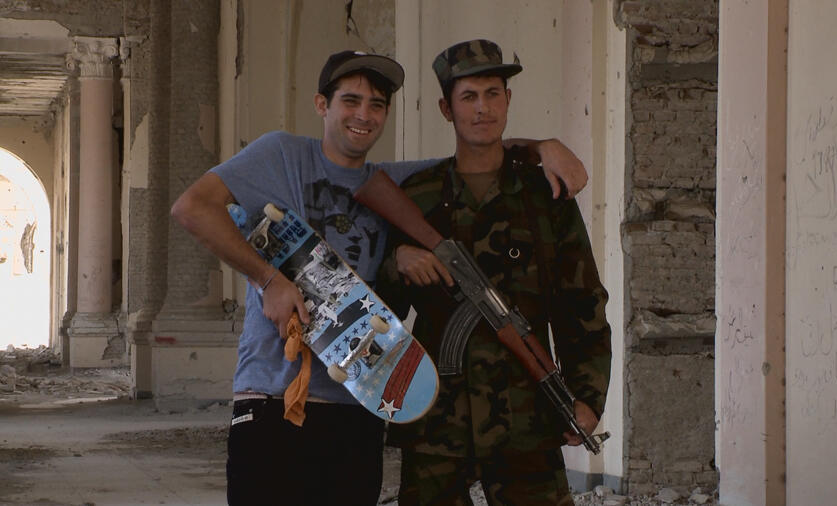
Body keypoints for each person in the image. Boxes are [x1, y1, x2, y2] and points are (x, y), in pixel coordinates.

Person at [171, 49, 589, 505]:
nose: (363, 115)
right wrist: (268, 280)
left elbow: (478, 149)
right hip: (272, 398)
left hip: (360, 402)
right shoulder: (282, 154)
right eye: (350, 101)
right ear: (321, 104)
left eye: (377, 105)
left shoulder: (397, 184)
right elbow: (192, 208)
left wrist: (543, 146)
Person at [376, 39, 613, 505]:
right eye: (469, 97)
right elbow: (380, 310)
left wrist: (586, 397)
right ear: (447, 109)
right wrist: (396, 263)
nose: (482, 108)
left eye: (493, 94)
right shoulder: (416, 195)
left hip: (526, 413)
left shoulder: (545, 195)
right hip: (435, 415)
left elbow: (581, 301)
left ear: (508, 101)